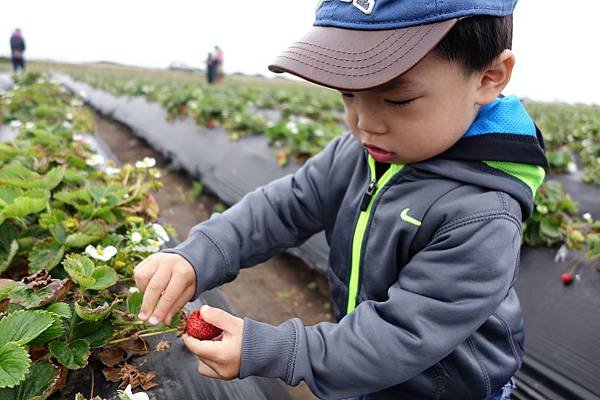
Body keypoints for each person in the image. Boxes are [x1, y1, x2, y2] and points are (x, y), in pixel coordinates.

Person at [133, 1, 547, 399]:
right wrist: (200, 253)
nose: (365, 124)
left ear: (489, 77)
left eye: (398, 99)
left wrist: (281, 350)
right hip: (356, 368)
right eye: (349, 95)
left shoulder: (480, 213)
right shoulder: (358, 154)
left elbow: (401, 336)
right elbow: (282, 208)